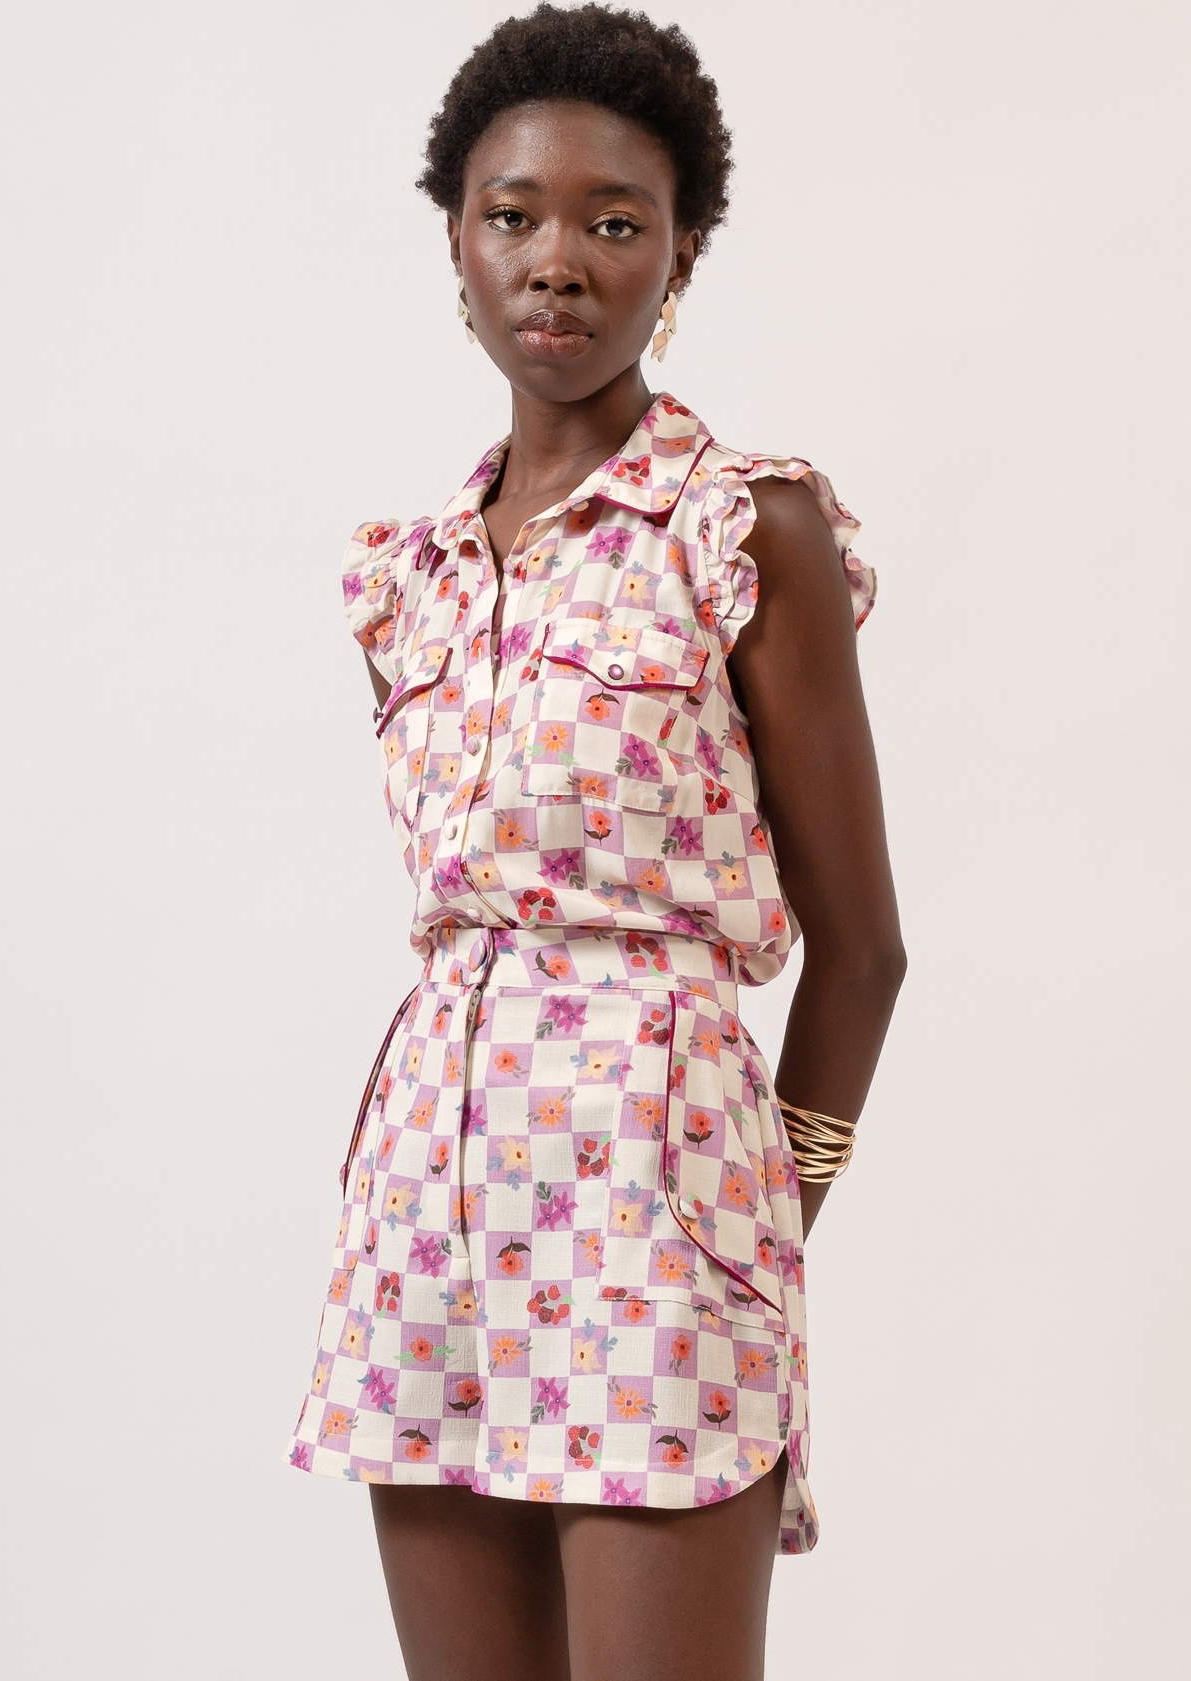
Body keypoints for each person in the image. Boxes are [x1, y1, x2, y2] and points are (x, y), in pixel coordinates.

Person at [285, 6, 905, 1677]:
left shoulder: (743, 527)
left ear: (680, 253)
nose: (557, 260)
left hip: (663, 1206)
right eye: (514, 215)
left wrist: (764, 1210)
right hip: (426, 1214)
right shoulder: (404, 581)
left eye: (615, 222)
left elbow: (863, 950)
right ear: (458, 241)